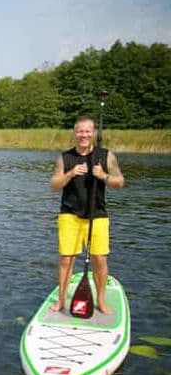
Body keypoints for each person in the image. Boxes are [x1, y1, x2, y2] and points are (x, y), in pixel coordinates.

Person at [49, 117, 124, 314]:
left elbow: (120, 182)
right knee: (66, 260)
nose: (84, 135)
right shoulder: (65, 158)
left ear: (94, 133)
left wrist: (103, 176)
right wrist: (70, 174)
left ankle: (101, 300)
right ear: (75, 133)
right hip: (70, 215)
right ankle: (61, 300)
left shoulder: (105, 156)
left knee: (99, 259)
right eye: (80, 131)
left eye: (88, 131)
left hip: (97, 215)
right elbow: (54, 185)